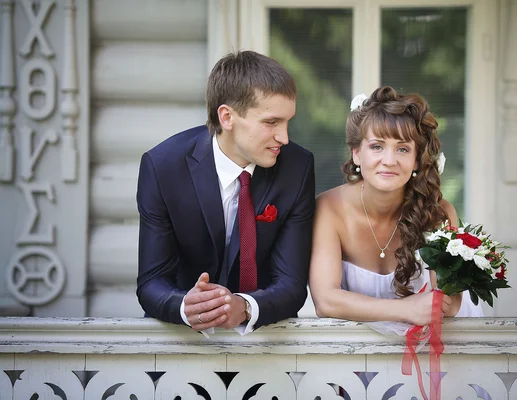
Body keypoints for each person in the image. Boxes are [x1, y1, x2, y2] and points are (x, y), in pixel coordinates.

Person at [136, 51, 315, 334]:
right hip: (179, 344)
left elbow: (292, 283)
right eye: (271, 122)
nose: (284, 137)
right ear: (227, 117)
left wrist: (245, 306)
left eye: (287, 122)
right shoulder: (163, 168)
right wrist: (186, 306)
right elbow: (151, 282)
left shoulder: (297, 167)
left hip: (266, 341)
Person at [309, 86, 482, 332]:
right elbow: (325, 301)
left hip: (443, 341)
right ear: (357, 154)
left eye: (402, 149)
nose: (389, 160)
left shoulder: (438, 213)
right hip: (362, 353)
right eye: (377, 146)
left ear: (416, 159)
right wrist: (407, 309)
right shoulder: (329, 208)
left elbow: (449, 306)